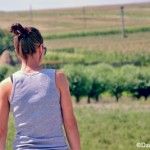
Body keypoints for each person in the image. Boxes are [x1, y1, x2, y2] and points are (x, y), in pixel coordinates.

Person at [0, 23, 81, 150]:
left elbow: (1, 131)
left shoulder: (6, 86)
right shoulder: (58, 79)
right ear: (41, 48)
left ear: (17, 51)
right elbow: (70, 123)